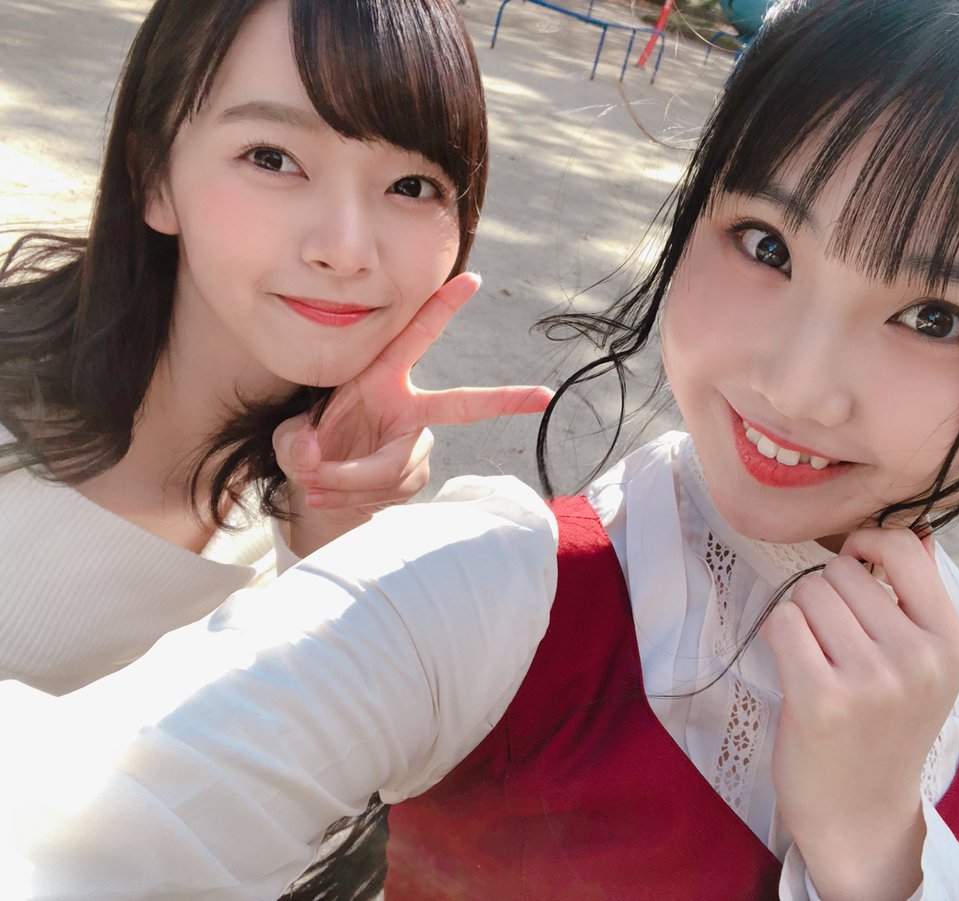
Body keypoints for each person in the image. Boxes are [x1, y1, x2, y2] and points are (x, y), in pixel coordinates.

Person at [1, 0, 959, 897]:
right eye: (767, 245)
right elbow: (93, 821)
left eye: (935, 316)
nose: (794, 384)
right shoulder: (489, 585)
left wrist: (883, 854)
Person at [0, 0, 548, 694]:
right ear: (154, 177)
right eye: (273, 158)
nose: (346, 249)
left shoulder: (323, 504)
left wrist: (332, 535)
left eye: (411, 186)